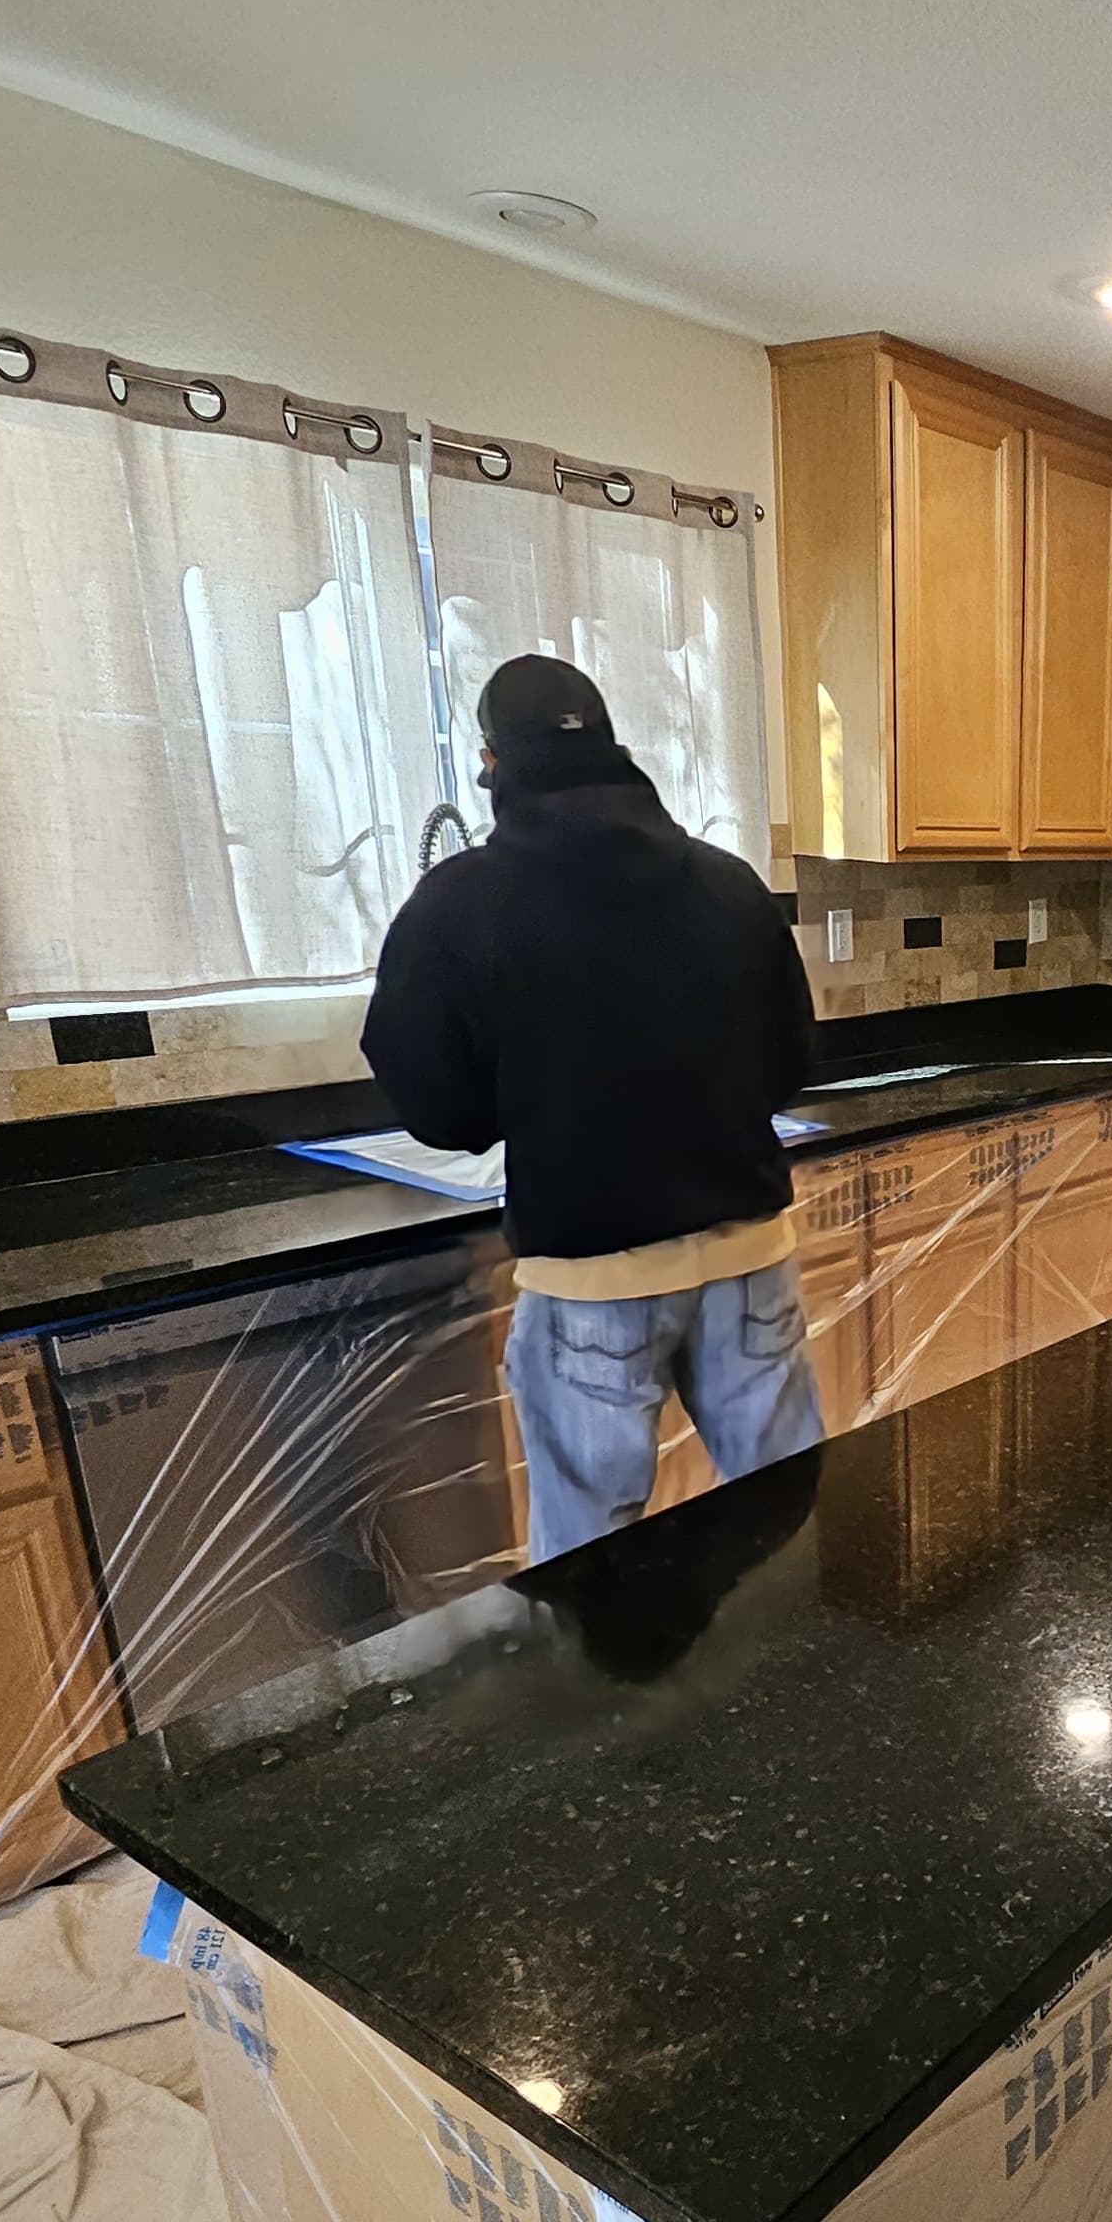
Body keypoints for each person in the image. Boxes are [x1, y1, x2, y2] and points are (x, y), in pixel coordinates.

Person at [362, 655, 823, 1561]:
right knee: (786, 1523)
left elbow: (439, 1110)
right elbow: (790, 1067)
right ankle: (798, 1691)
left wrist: (540, 1088)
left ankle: (618, 1703)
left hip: (590, 1290)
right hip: (751, 1268)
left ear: (491, 763)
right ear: (615, 748)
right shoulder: (730, 885)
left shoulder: (457, 905)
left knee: (591, 1565)